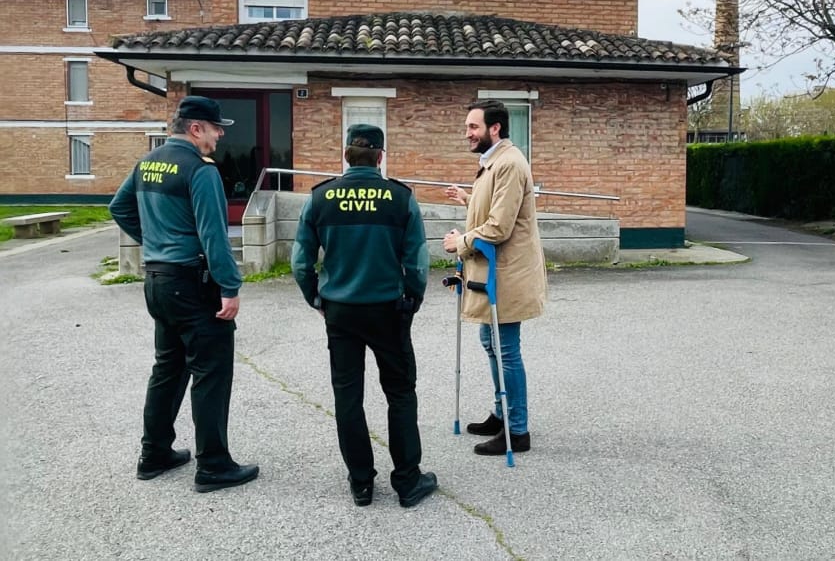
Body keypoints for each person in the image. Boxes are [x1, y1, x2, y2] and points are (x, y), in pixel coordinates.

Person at [109, 95, 259, 493]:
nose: (220, 134)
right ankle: (213, 466)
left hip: (158, 281)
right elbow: (215, 236)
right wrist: (230, 287)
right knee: (210, 373)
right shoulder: (200, 170)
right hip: (192, 284)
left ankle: (154, 453)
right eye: (215, 128)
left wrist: (155, 243)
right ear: (195, 128)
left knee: (168, 369)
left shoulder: (148, 162)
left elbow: (119, 208)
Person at [292, 124, 438, 508]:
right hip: (388, 309)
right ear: (380, 156)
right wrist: (414, 298)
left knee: (348, 396)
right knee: (401, 393)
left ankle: (361, 482)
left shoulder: (320, 198)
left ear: (345, 155)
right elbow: (418, 261)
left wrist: (317, 298)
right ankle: (408, 481)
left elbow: (300, 260)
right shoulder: (400, 197)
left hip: (340, 311)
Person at [443, 100, 546, 456]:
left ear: (495, 129)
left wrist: (461, 243)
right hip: (494, 272)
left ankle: (517, 431)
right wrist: (468, 199)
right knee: (491, 344)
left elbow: (500, 226)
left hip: (508, 274)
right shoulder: (494, 163)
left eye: (473, 127)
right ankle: (502, 415)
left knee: (506, 351)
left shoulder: (510, 164)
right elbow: (494, 207)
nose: (467, 133)